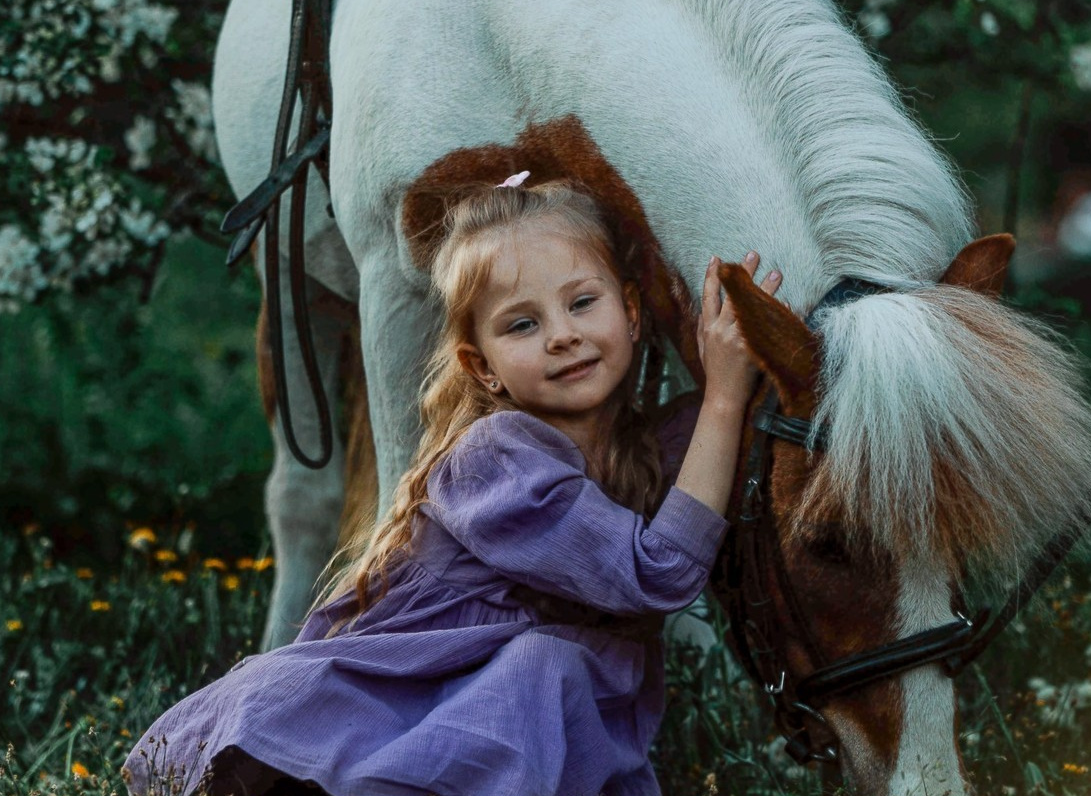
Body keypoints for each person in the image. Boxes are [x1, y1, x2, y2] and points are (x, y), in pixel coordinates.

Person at [122, 176, 782, 796]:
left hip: (541, 713)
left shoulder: (657, 443)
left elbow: (742, 439)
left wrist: (750, 370)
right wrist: (724, 397)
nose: (562, 336)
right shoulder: (496, 458)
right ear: (483, 368)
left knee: (546, 671)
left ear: (632, 314)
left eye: (583, 303)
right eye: (522, 324)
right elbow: (660, 573)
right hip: (414, 691)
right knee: (541, 666)